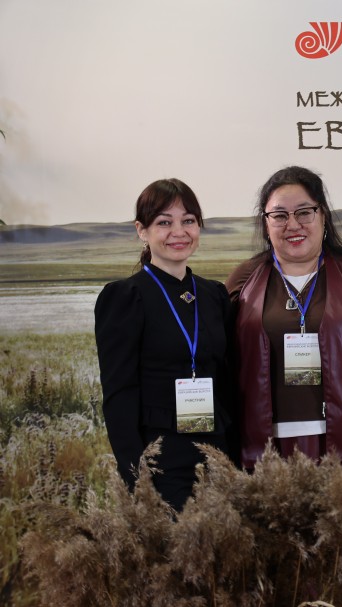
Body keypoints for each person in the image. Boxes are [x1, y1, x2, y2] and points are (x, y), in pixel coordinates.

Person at [226, 166, 342, 470]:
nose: (292, 224)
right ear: (266, 223)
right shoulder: (245, 279)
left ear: (322, 215)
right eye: (279, 215)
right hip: (264, 449)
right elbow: (220, 360)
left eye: (304, 212)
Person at [94, 178, 235, 511]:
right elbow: (119, 396)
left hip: (217, 452)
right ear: (141, 231)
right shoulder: (125, 296)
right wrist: (137, 481)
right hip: (161, 461)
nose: (179, 232)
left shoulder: (214, 295)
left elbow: (227, 382)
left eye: (188, 220)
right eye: (164, 222)